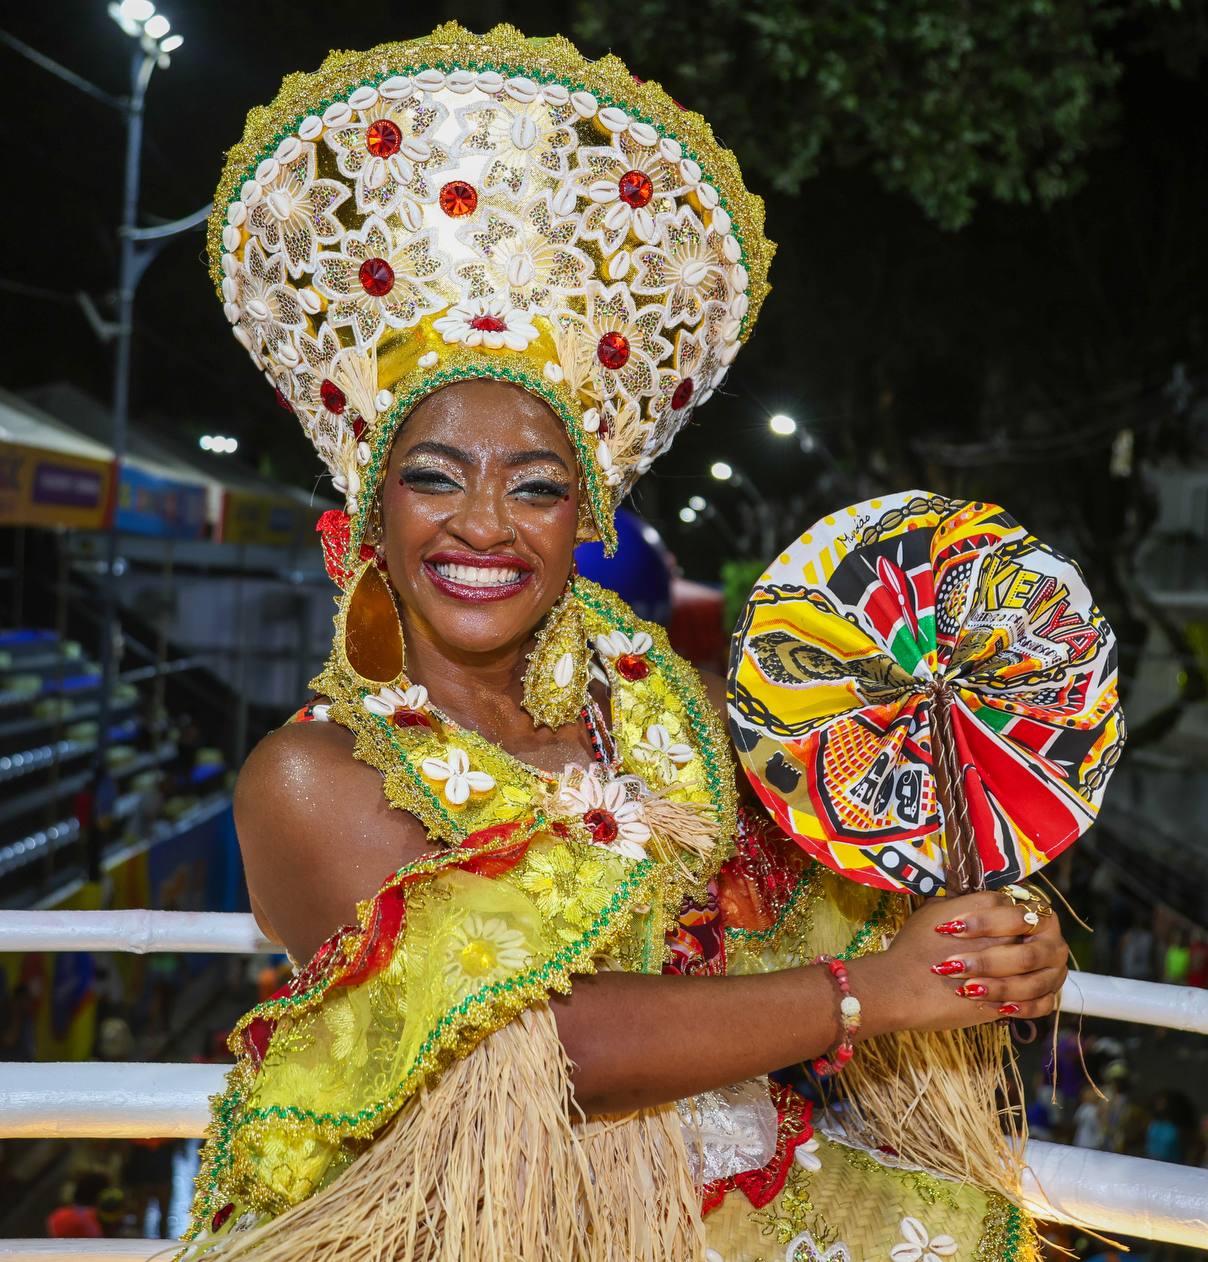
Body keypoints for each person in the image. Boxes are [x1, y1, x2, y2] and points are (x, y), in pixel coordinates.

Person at [181, 23, 1068, 1261]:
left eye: (535, 486)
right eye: (435, 477)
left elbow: (821, 909)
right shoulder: (311, 776)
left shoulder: (666, 711)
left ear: (585, 518)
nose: (483, 523)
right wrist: (871, 993)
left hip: (759, 1207)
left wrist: (980, 938)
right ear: (368, 514)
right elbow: (533, 1050)